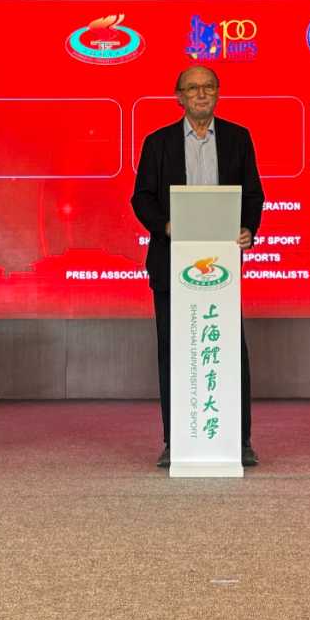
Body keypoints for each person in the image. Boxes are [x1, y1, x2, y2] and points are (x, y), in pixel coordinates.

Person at [131, 64, 263, 469]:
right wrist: (166, 225)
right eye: (192, 88)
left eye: (208, 87)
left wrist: (248, 228)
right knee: (174, 352)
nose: (201, 94)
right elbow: (141, 197)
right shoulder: (158, 142)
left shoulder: (239, 138)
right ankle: (175, 441)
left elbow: (253, 194)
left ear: (218, 93)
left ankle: (240, 441)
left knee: (230, 352)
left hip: (222, 267)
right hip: (172, 263)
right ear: (179, 97)